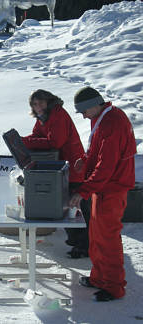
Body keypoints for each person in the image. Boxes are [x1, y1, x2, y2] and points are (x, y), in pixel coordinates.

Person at [69, 86, 136, 302]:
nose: (83, 115)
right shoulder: (103, 117)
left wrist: (83, 190)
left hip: (112, 189)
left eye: (83, 111)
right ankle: (99, 278)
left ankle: (114, 287)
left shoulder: (112, 122)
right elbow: (98, 154)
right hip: (104, 188)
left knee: (108, 239)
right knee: (96, 236)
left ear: (95, 104)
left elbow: (106, 165)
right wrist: (86, 161)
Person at [21, 89, 90, 258]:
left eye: (41, 102)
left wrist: (24, 142)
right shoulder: (43, 117)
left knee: (76, 208)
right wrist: (25, 141)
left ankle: (85, 245)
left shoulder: (57, 114)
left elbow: (55, 142)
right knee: (66, 205)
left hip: (73, 166)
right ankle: (76, 240)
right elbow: (37, 136)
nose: (38, 106)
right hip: (61, 167)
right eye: (34, 104)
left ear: (49, 101)